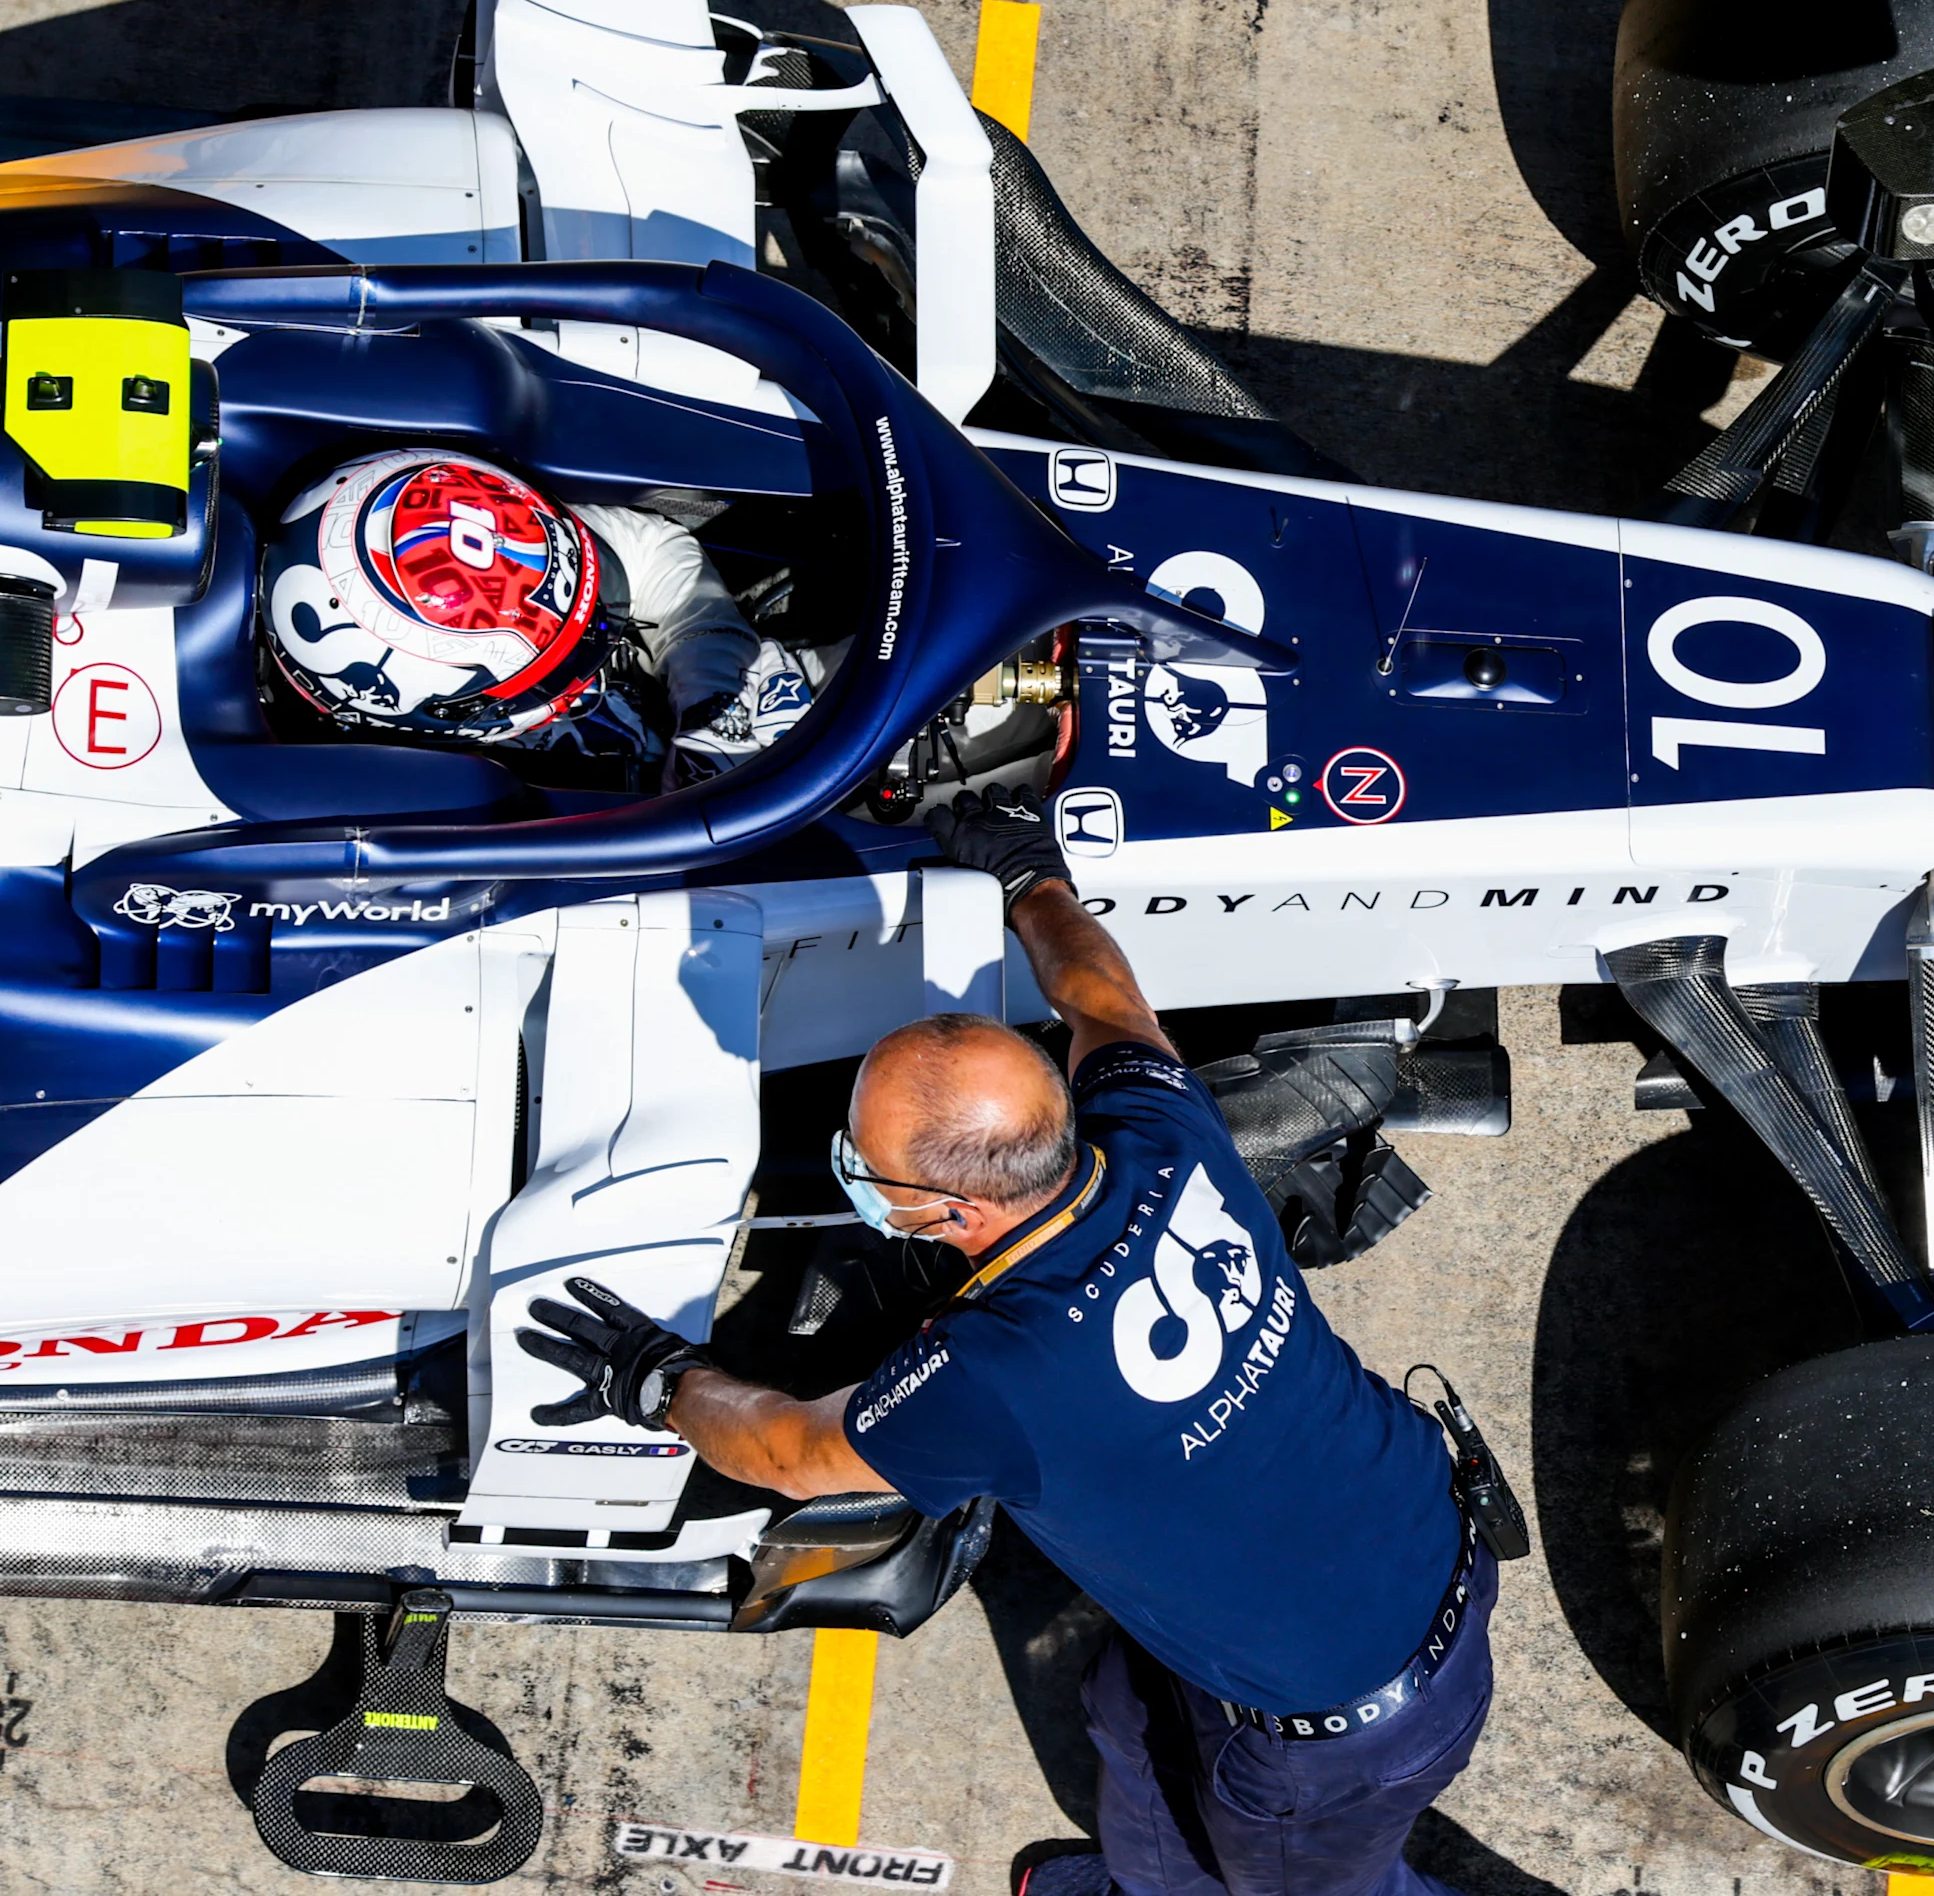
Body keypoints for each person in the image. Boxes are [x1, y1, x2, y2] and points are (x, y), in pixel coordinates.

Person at [514, 789, 1491, 1896]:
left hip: (1343, 1719)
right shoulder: (1161, 1126)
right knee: (1124, 1709)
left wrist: (660, 1380)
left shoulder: (995, 1372)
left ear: (951, 1211)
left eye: (864, 1159)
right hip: (1397, 1526)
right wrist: (1034, 876)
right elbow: (1101, 997)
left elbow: (785, 1449)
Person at [261, 446, 812, 779]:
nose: (599, 635)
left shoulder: (480, 524)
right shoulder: (399, 793)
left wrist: (713, 697)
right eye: (561, 665)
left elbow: (648, 549)